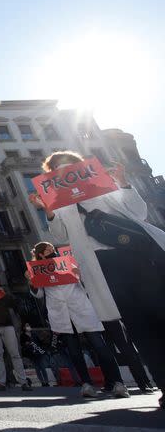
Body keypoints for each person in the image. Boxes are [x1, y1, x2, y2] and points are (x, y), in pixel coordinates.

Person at [30, 151, 163, 406]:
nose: (67, 172)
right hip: (101, 267)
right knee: (138, 326)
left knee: (159, 313)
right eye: (59, 170)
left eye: (71, 166)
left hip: (133, 255)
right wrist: (48, 211)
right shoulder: (61, 204)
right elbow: (59, 236)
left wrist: (123, 183)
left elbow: (139, 212)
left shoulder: (104, 187)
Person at [26, 242, 129, 398]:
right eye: (47, 249)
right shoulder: (38, 270)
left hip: (81, 310)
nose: (51, 250)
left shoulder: (68, 262)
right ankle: (87, 384)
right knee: (74, 352)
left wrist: (79, 273)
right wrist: (31, 281)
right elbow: (38, 294)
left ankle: (118, 383)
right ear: (40, 254)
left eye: (52, 249)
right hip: (62, 315)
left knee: (100, 347)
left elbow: (86, 284)